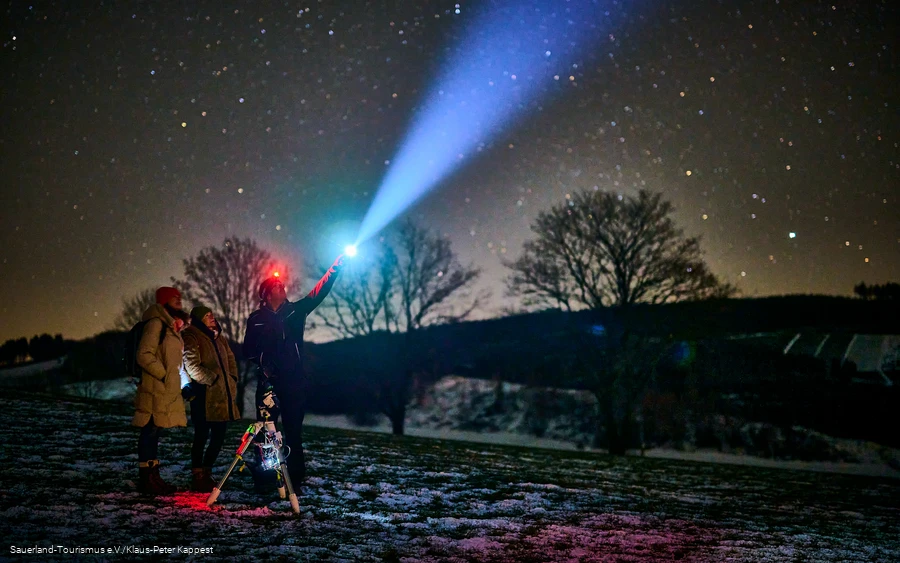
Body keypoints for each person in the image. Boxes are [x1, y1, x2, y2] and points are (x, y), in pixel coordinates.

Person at [242, 255, 345, 493]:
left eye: (282, 286)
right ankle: (266, 476)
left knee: (293, 431)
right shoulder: (256, 319)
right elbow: (248, 349)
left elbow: (319, 291)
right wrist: (263, 363)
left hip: (294, 383)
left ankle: (295, 477)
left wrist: (336, 267)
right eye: (276, 286)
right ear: (266, 294)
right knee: (266, 430)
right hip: (268, 383)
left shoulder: (296, 311)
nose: (281, 288)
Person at [133, 286, 191, 495]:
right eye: (174, 297)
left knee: (155, 431)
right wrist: (164, 375)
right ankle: (146, 478)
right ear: (164, 301)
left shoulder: (172, 328)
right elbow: (144, 354)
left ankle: (153, 477)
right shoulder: (156, 324)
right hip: (154, 388)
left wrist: (185, 383)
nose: (179, 299)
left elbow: (178, 363)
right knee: (149, 430)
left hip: (165, 389)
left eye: (179, 297)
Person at [181, 305, 241, 493]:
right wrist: (212, 379)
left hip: (222, 395)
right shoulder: (191, 335)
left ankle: (207, 471)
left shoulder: (219, 337)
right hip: (204, 395)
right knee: (201, 435)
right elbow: (191, 364)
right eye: (207, 316)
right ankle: (198, 475)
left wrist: (232, 378)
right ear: (199, 319)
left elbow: (230, 359)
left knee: (219, 435)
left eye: (212, 314)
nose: (212, 317)